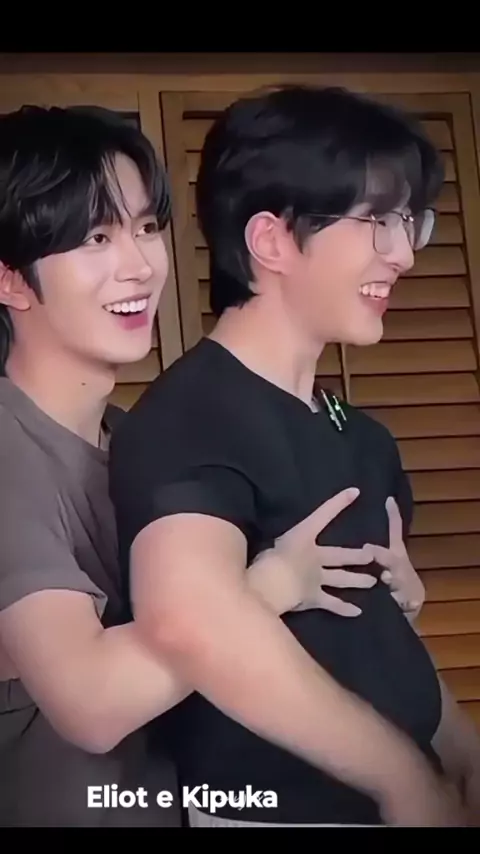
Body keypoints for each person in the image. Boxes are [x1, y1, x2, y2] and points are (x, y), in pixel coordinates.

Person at [0, 104, 404, 828]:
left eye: (146, 227)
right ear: (10, 280)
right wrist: (271, 584)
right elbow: (91, 703)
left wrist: (380, 597)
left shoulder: (134, 438)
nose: (139, 265)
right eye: (95, 238)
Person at [109, 85, 480, 827]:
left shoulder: (360, 436)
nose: (404, 254)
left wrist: (462, 754)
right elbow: (191, 622)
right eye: (378, 221)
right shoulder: (190, 417)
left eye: (411, 221)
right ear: (272, 240)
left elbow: (376, 636)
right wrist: (404, 781)